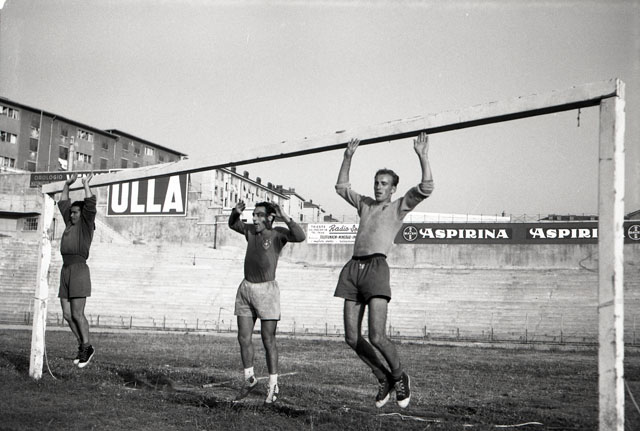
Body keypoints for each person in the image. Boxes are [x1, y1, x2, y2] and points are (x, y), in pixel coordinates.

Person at [334, 132, 434, 409]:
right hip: (353, 268)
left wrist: (422, 156)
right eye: (377, 183)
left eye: (384, 184)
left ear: (393, 189)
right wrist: (347, 156)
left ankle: (400, 376)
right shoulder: (365, 204)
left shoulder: (398, 207)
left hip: (376, 268)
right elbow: (341, 187)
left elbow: (426, 188)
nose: (379, 187)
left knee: (377, 335)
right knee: (351, 338)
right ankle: (383, 378)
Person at [228, 200, 306, 404]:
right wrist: (235, 213)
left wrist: (285, 216)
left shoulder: (277, 234)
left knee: (267, 339)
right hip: (246, 288)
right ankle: (249, 378)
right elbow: (232, 224)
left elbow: (300, 236)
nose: (254, 218)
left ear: (270, 217)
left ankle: (273, 384)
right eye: (253, 214)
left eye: (258, 215)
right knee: (243, 337)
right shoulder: (250, 231)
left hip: (267, 291)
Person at [57, 173, 97, 368]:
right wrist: (67, 185)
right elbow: (63, 202)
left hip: (79, 270)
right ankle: (83, 345)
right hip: (65, 269)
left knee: (77, 313)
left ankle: (87, 347)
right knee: (67, 314)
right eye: (71, 213)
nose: (72, 215)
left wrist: (85, 185)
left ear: (82, 214)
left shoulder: (86, 225)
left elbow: (90, 204)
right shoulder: (70, 223)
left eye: (75, 213)